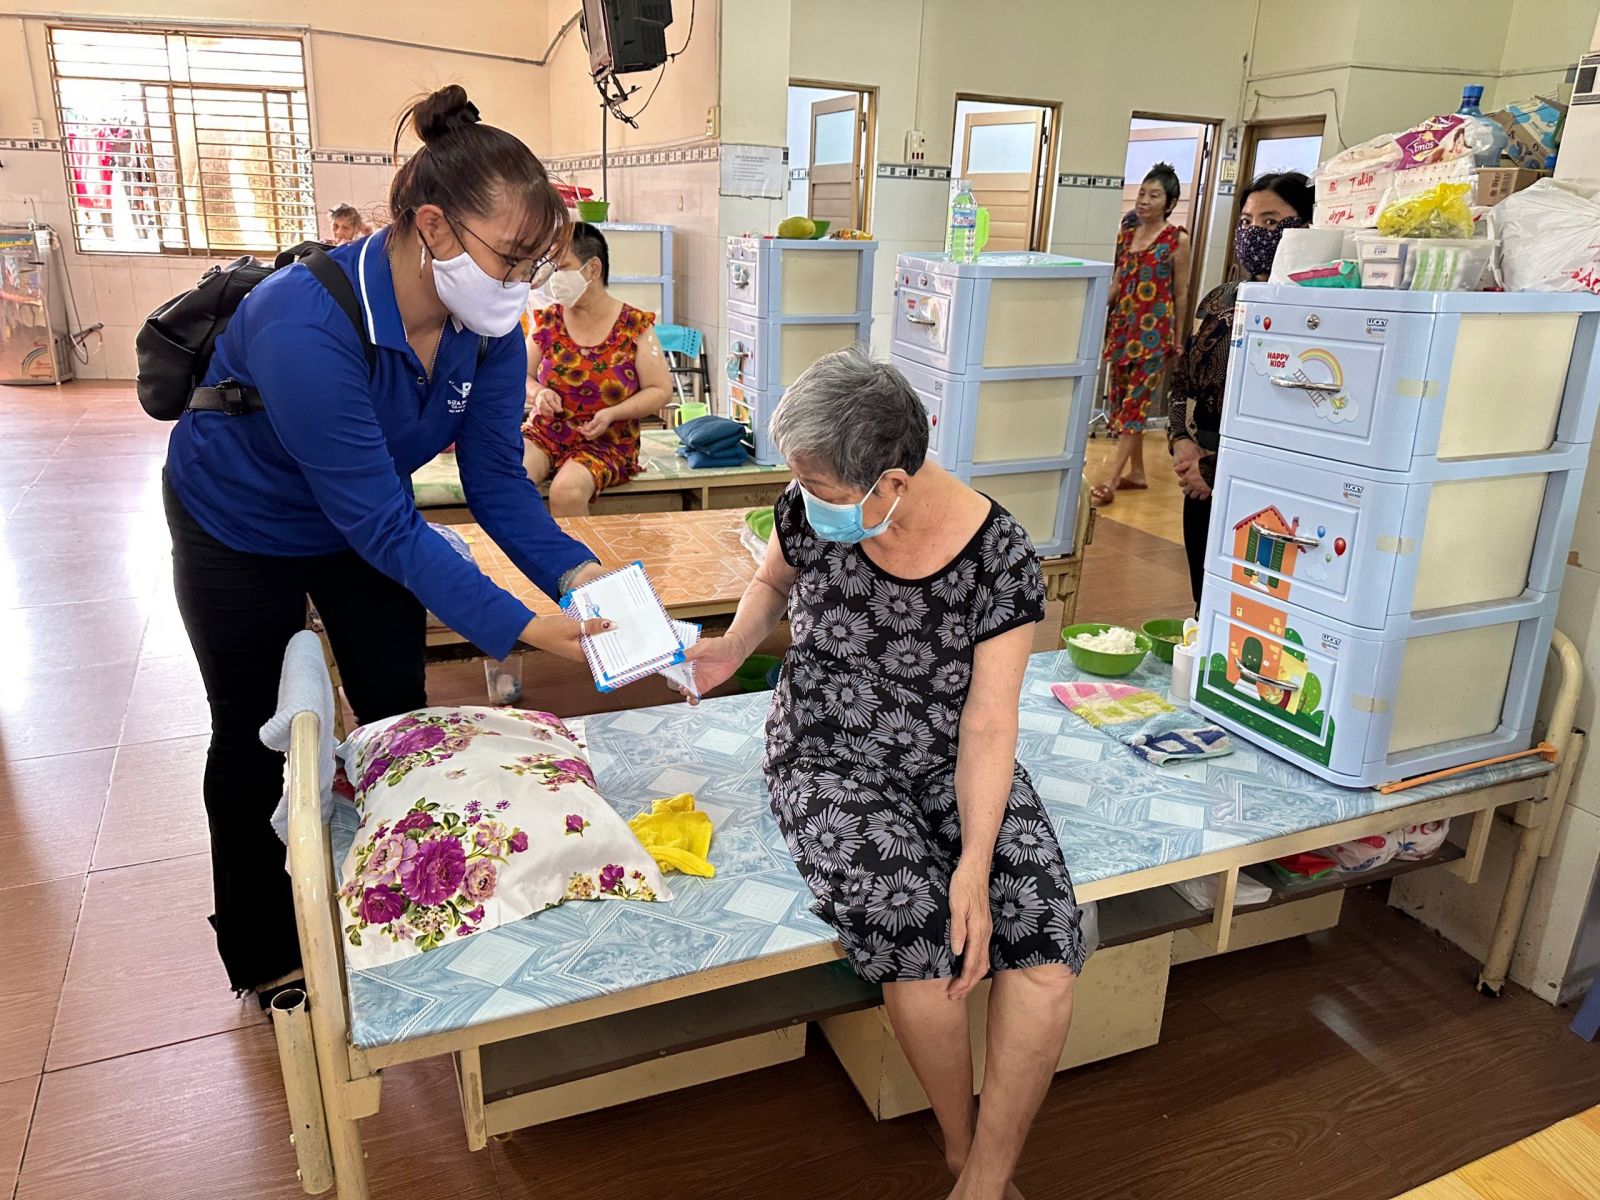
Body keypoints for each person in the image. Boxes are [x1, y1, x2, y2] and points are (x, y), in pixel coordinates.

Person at [162, 85, 612, 1006]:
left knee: (399, 714)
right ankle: (265, 950)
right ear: (434, 227)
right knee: (254, 733)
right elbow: (384, 525)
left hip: (360, 521)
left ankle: (403, 894)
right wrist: (530, 630)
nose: (524, 284)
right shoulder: (303, 321)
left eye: (538, 264)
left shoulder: (485, 326)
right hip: (238, 523)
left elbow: (496, 484)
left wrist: (584, 578)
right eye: (513, 258)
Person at [679, 348, 1087, 1200]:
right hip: (827, 751)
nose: (803, 498)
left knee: (1046, 943)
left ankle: (987, 1180)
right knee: (914, 930)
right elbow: (772, 580)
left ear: (891, 482)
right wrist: (732, 646)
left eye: (820, 486)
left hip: (950, 755)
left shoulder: (999, 555)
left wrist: (974, 862)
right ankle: (959, 1146)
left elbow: (989, 721)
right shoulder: (810, 508)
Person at [1169, 170, 1314, 606]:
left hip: (1262, 480)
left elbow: (1293, 411)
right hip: (1199, 475)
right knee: (1204, 599)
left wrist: (1216, 469)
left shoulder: (1315, 309)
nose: (1254, 232)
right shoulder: (1221, 299)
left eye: (1272, 222)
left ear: (1306, 229)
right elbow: (1184, 378)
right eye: (1247, 221)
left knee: (1255, 603)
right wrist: (1181, 442)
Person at [520, 222, 671, 516]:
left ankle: (577, 549)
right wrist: (538, 393)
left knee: (566, 491)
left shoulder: (633, 325)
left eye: (563, 268)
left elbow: (660, 389)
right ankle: (529, 546)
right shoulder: (549, 320)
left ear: (593, 269)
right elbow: (521, 374)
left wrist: (613, 413)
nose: (555, 279)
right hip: (546, 433)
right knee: (511, 481)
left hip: (607, 441)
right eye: (552, 269)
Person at [1093, 163, 1190, 506]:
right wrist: (1092, 310)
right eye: (1142, 194)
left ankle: (1111, 479)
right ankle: (1137, 473)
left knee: (1134, 407)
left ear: (1170, 203)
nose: (1144, 201)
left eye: (1154, 195)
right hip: (1123, 331)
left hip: (1155, 335)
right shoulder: (1126, 235)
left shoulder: (1176, 240)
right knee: (1122, 403)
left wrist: (1178, 338)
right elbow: (1118, 282)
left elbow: (1181, 292)